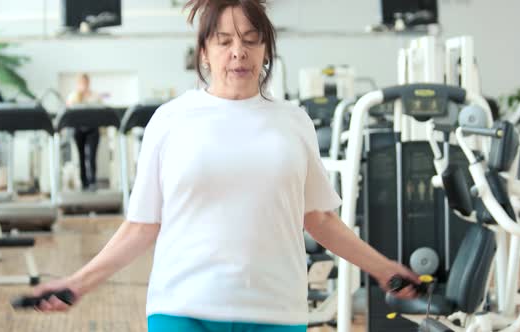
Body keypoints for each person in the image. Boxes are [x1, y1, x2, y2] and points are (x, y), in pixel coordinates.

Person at [32, 1, 420, 331]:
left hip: (275, 310)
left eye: (252, 40)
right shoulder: (170, 121)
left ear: (266, 49)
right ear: (204, 51)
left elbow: (320, 220)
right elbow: (141, 225)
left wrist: (384, 268)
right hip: (183, 307)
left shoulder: (293, 121)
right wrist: (78, 283)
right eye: (225, 41)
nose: (239, 52)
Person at [66, 73, 102, 190]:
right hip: (78, 129)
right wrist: (79, 95)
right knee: (80, 156)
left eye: (85, 82)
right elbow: (68, 111)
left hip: (92, 129)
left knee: (91, 156)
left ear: (88, 82)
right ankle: (83, 182)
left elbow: (102, 111)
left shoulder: (95, 96)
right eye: (81, 83)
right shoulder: (73, 96)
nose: (84, 85)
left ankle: (92, 181)